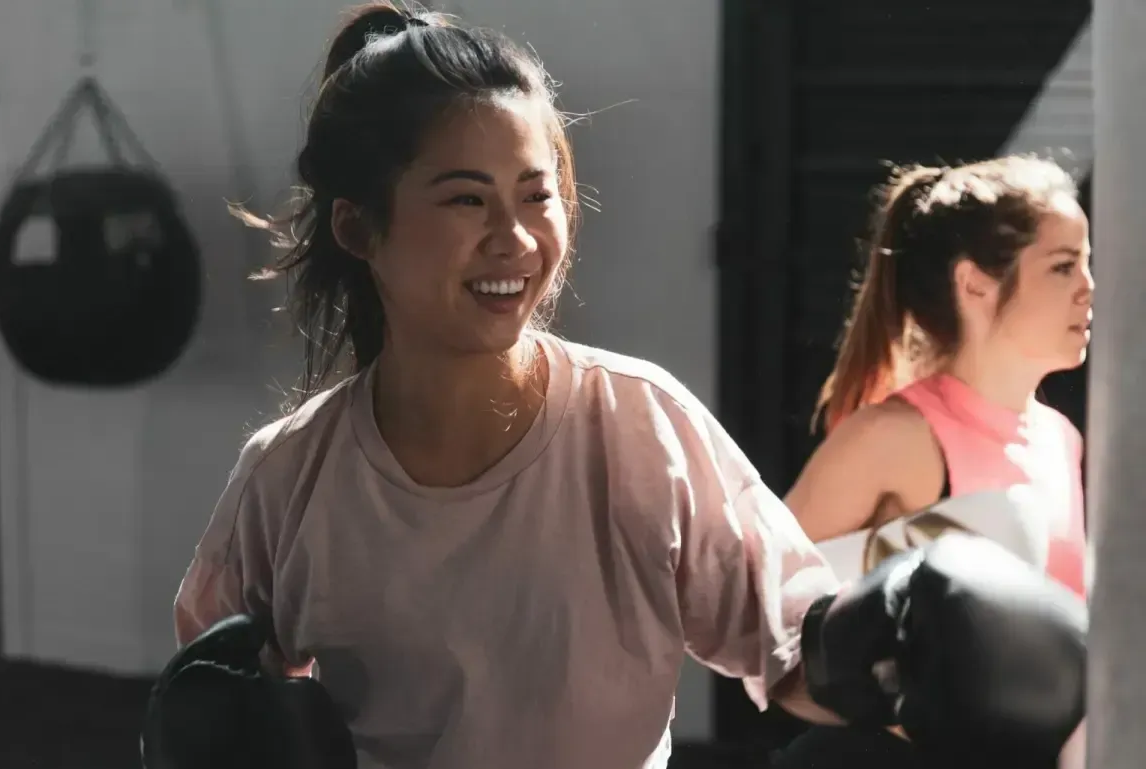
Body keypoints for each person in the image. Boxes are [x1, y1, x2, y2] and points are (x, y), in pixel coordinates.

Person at [171, 4, 844, 768]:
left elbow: (795, 647)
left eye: (536, 194)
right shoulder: (288, 476)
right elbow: (213, 695)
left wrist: (898, 656)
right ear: (358, 228)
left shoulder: (640, 426)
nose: (516, 238)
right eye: (466, 198)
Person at [771, 156, 1093, 768]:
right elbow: (756, 622)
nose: (1089, 287)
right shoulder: (893, 438)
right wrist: (885, 706)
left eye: (1087, 262)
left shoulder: (1059, 438)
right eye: (1062, 266)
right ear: (975, 284)